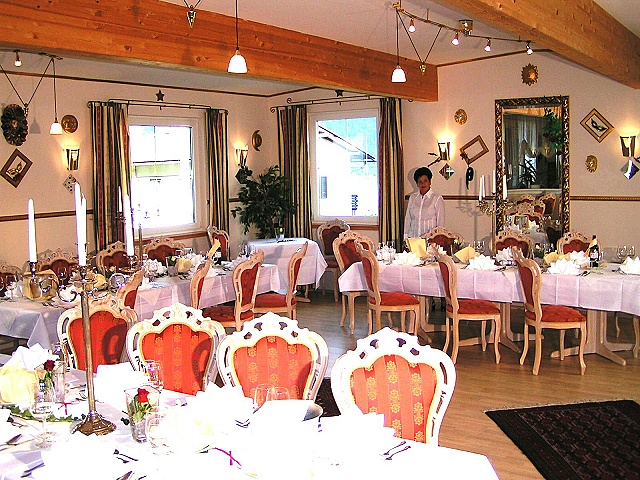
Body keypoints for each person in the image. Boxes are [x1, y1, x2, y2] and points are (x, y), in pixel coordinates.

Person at [404, 166, 445, 239]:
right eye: (420, 182)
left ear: (430, 182)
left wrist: (438, 239)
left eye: (425, 181)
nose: (423, 184)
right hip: (413, 237)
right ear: (417, 184)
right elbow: (408, 219)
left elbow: (440, 222)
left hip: (430, 239)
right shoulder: (413, 198)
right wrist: (405, 237)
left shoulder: (437, 198)